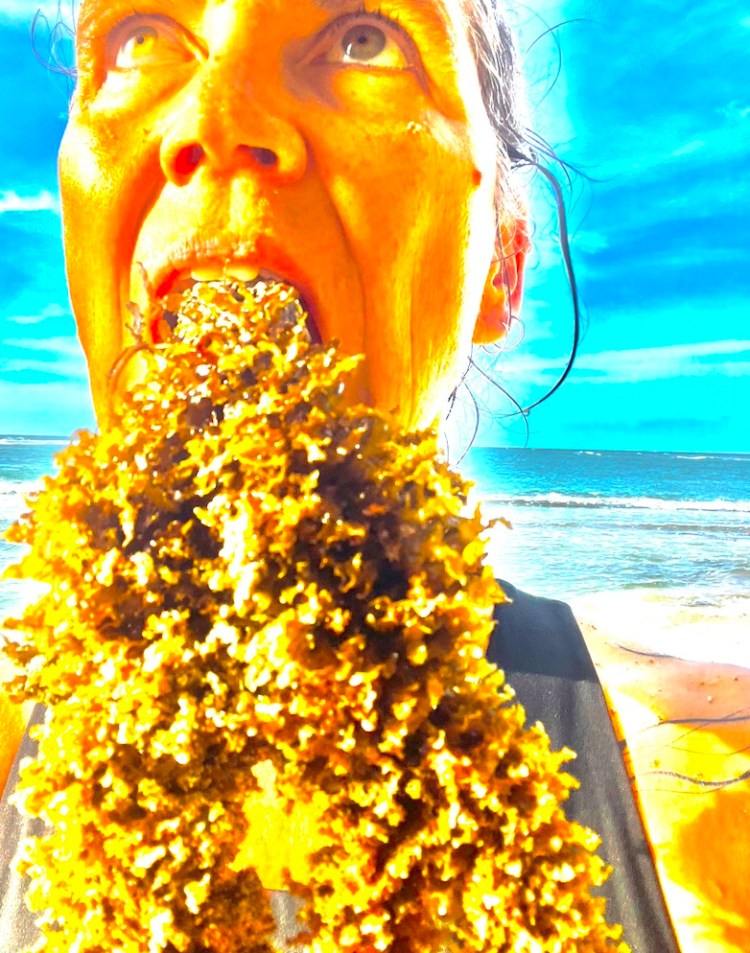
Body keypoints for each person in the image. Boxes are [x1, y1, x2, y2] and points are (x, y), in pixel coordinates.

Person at [2, 1, 744, 950]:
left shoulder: (708, 783)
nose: (215, 118)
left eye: (364, 39)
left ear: (502, 271)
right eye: (138, 38)